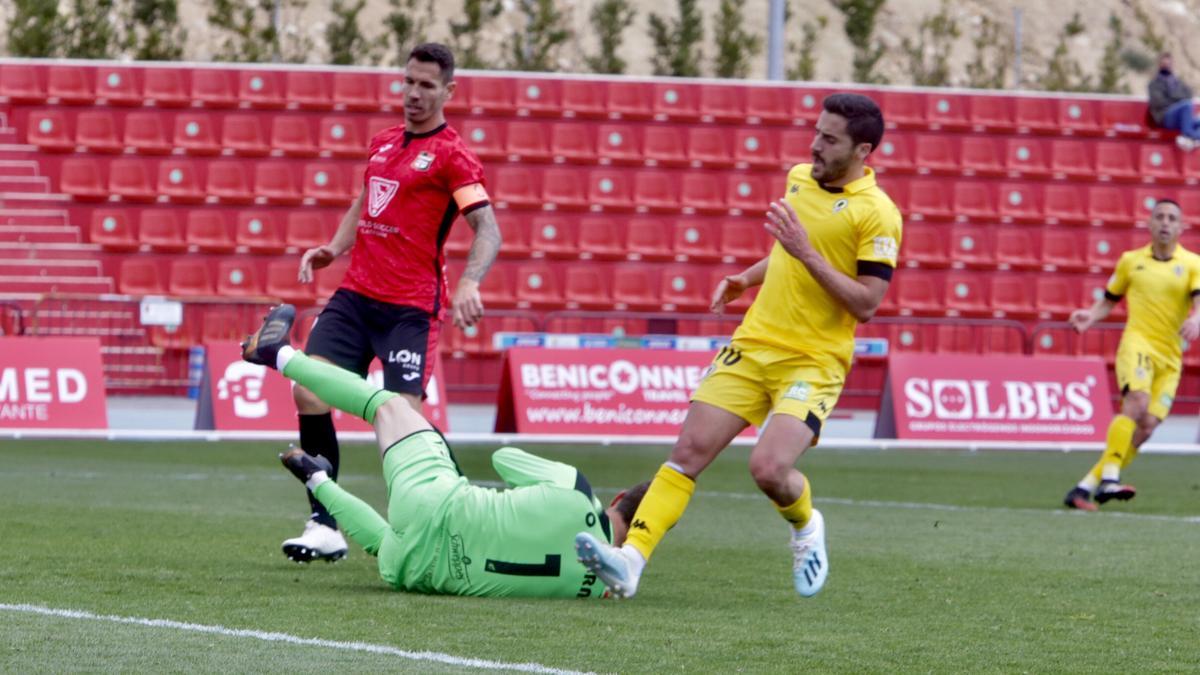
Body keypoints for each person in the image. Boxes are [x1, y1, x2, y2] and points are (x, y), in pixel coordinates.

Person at [576, 93, 902, 599]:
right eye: (816, 132)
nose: (815, 145)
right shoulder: (799, 178)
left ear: (863, 150)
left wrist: (805, 253)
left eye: (829, 139)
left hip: (813, 361)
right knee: (687, 453)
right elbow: (786, 254)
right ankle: (630, 562)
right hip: (753, 344)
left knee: (769, 469)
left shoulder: (878, 214)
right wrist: (747, 278)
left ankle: (807, 525)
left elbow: (866, 303)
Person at [242, 304, 647, 597]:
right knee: (388, 545)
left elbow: (503, 460)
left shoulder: (579, 491)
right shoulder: (599, 591)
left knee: (387, 406)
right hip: (424, 572)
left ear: (617, 498)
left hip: (437, 502)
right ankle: (317, 479)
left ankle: (279, 354)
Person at [283, 42, 502, 562]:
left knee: (401, 427)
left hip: (409, 309)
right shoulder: (383, 144)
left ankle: (451, 521)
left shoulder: (453, 156)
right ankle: (324, 523)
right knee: (307, 392)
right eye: (408, 82)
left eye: (427, 85)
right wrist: (334, 248)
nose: (414, 94)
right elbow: (366, 198)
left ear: (448, 91)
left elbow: (487, 228)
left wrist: (471, 281)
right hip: (356, 297)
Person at [1062, 199, 1200, 511]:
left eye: (1172, 218)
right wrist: (1090, 316)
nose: (1165, 223)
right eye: (1160, 217)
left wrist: (1196, 319)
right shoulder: (1130, 261)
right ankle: (1110, 478)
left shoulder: (1192, 263)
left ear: (1181, 227)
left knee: (1148, 424)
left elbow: (1198, 299)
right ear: (1150, 224)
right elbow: (1109, 300)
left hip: (1170, 357)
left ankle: (1084, 487)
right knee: (1136, 402)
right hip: (1137, 345)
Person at [1148, 52, 1200, 152]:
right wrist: (1178, 100)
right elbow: (1159, 102)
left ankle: (1191, 140)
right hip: (1165, 117)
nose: (1167, 66)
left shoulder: (1177, 81)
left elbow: (1189, 93)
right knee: (1186, 105)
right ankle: (1189, 136)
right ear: (1160, 65)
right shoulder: (1154, 84)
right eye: (1164, 64)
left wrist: (1173, 98)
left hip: (1180, 118)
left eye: (1169, 64)